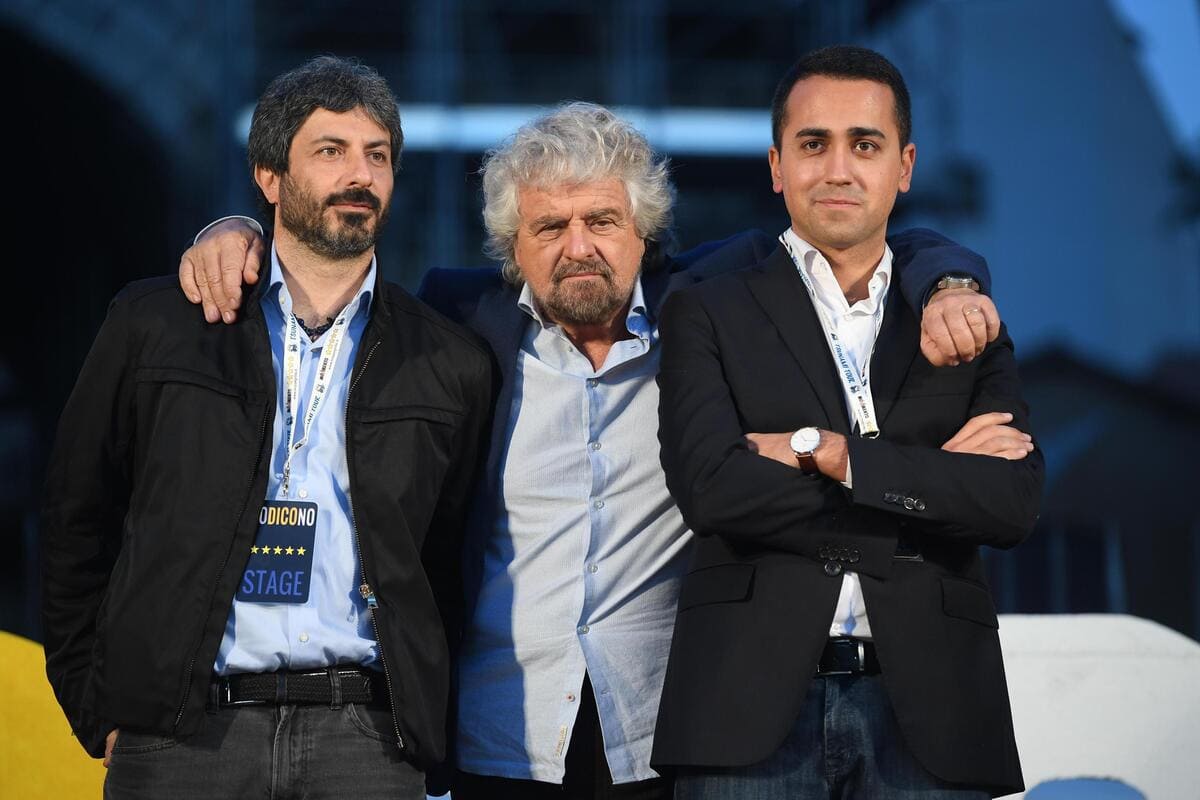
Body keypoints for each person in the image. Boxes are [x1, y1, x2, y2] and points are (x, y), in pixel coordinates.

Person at [178, 102, 999, 798]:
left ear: (644, 230)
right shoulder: (457, 321)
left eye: (603, 220)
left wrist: (952, 281)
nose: (579, 247)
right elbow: (326, 262)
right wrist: (236, 230)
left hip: (662, 735)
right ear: (513, 248)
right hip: (496, 736)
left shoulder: (711, 306)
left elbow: (867, 234)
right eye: (550, 226)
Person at [41, 56, 492, 800]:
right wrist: (101, 708)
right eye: (331, 151)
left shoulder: (447, 360)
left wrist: (421, 724)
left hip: (366, 740)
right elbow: (76, 517)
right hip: (183, 736)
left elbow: (447, 560)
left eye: (377, 155)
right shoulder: (158, 326)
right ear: (270, 178)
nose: (361, 174)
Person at [649, 45, 1043, 799]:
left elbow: (1012, 501)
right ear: (776, 166)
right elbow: (714, 491)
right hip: (744, 709)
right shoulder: (706, 307)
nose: (837, 168)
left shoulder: (961, 317)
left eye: (864, 144)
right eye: (812, 144)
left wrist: (833, 456)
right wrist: (928, 489)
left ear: (905, 165)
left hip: (935, 712)